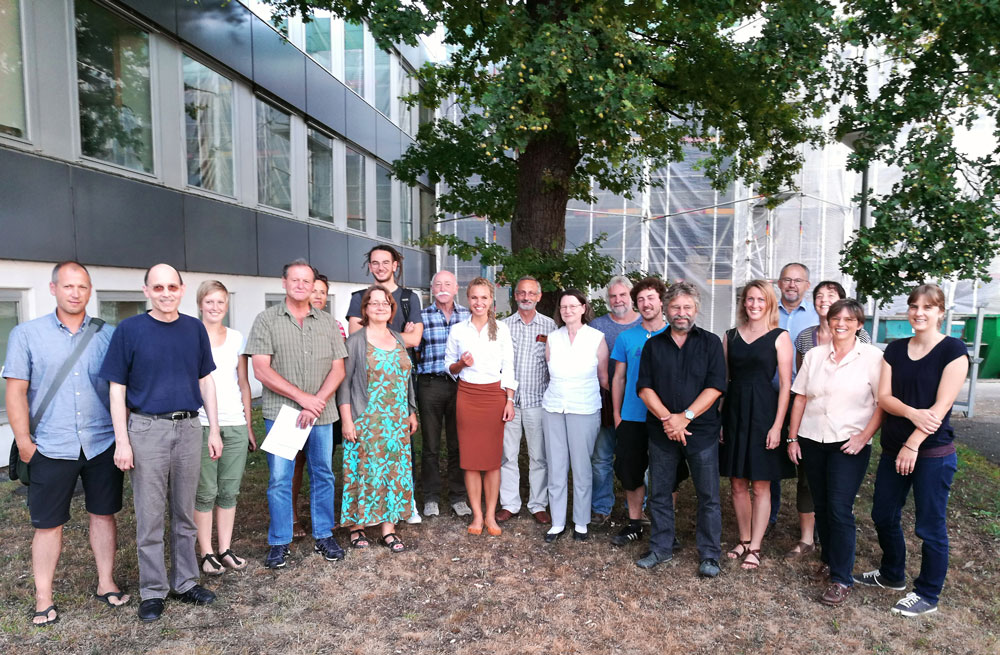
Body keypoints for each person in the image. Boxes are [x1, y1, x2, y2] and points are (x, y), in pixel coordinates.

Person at [3, 261, 129, 626]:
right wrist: (25, 443)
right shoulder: (27, 334)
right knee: (48, 524)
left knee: (104, 514)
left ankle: (106, 582)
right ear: (53, 288)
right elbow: (16, 393)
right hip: (49, 446)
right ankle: (43, 597)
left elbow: (121, 390)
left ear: (90, 292)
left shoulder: (109, 335)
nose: (75, 293)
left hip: (101, 442)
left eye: (83, 287)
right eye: (69, 286)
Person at [101, 263, 221, 622]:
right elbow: (116, 388)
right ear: (146, 291)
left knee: (185, 513)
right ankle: (152, 590)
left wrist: (212, 429)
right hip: (146, 430)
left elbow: (206, 381)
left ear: (182, 290)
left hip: (188, 429)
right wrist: (122, 440)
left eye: (172, 287)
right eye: (158, 287)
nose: (165, 293)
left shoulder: (194, 329)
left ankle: (185, 582)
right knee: (150, 517)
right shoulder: (130, 330)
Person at [855, 284, 968, 617]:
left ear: (940, 313)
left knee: (929, 526)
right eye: (914, 306)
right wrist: (911, 413)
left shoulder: (953, 351)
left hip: (932, 453)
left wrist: (913, 442)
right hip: (894, 450)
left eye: (928, 307)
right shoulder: (895, 349)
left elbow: (941, 407)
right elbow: (885, 398)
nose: (920, 313)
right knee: (883, 514)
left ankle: (928, 594)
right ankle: (892, 574)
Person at [246, 259, 348, 570]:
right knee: (279, 479)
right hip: (282, 414)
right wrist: (302, 398)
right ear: (284, 283)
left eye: (307, 281)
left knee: (323, 474)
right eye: (296, 280)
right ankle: (279, 541)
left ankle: (323, 534)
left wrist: (316, 400)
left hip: (322, 413)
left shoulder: (328, 323)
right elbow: (261, 369)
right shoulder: (266, 320)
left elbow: (338, 368)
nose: (301, 286)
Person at [786, 299, 883, 606]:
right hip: (813, 439)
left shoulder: (872, 357)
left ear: (859, 324)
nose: (841, 323)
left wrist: (864, 437)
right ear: (827, 321)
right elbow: (800, 398)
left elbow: (882, 403)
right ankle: (828, 559)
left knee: (840, 508)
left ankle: (842, 578)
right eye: (835, 318)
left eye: (848, 319)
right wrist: (792, 438)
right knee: (823, 505)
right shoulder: (814, 355)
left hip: (848, 443)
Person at [635, 282, 726, 577]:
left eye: (687, 307)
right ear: (666, 309)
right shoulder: (653, 345)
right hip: (662, 433)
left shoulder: (711, 343)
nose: (681, 313)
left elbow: (715, 387)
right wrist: (669, 420)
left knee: (708, 495)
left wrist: (684, 417)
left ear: (696, 309)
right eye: (675, 307)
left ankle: (710, 554)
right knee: (660, 492)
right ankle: (661, 547)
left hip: (702, 432)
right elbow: (644, 388)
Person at [337, 285, 419, 552]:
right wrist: (347, 421)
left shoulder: (397, 338)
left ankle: (388, 528)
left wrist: (410, 409)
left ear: (391, 308)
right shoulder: (355, 341)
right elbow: (344, 385)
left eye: (385, 302)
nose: (380, 307)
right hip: (366, 419)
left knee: (392, 474)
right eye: (374, 303)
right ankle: (357, 527)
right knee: (363, 472)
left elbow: (405, 378)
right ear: (365, 309)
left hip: (395, 421)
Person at [719, 280, 794, 570]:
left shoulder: (780, 336)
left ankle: (757, 546)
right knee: (737, 483)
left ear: (769, 304)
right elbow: (724, 381)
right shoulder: (730, 336)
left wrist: (778, 427)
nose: (754, 305)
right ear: (743, 303)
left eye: (760, 300)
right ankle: (745, 538)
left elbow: (787, 386)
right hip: (735, 411)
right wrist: (721, 419)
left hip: (765, 412)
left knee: (761, 484)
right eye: (750, 299)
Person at [609, 277, 689, 547]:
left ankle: (666, 527)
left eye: (651, 298)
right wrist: (618, 415)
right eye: (640, 299)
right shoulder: (626, 337)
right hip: (632, 417)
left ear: (662, 302)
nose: (645, 304)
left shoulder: (676, 334)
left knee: (669, 474)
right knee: (630, 471)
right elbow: (618, 378)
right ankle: (635, 522)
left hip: (666, 419)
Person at [193, 281, 256, 576]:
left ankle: (225, 548)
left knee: (229, 491)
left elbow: (243, 383)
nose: (215, 307)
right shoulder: (191, 336)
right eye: (209, 302)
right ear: (200, 304)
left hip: (235, 423)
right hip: (203, 424)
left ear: (226, 306)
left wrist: (248, 424)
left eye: (220, 302)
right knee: (206, 492)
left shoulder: (236, 338)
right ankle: (205, 551)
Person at [445, 277, 516, 536]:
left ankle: (490, 515)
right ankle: (476, 515)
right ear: (468, 299)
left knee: (492, 461)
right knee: (471, 461)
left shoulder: (502, 329)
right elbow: (449, 367)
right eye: (474, 297)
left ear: (491, 300)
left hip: (494, 397)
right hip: (467, 396)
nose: (479, 302)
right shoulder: (458, 330)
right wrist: (462, 364)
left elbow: (508, 366)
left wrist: (509, 399)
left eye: (484, 297)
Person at [541, 289, 609, 542]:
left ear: (583, 308)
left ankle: (581, 521)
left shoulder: (596, 338)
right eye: (563, 307)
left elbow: (604, 378)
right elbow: (549, 373)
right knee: (556, 467)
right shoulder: (553, 338)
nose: (567, 310)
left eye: (573, 306)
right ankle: (557, 522)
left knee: (581, 467)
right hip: (554, 408)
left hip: (584, 408)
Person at [289, 272, 347, 538]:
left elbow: (339, 366)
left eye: (323, 292)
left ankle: (322, 519)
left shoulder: (335, 326)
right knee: (295, 462)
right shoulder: (288, 323)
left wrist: (320, 400)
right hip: (294, 405)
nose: (318, 296)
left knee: (322, 464)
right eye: (315, 291)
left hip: (326, 406)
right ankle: (291, 517)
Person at [498, 276, 556, 524]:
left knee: (538, 456)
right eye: (522, 293)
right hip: (508, 402)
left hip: (538, 401)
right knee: (507, 456)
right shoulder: (502, 326)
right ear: (515, 295)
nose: (526, 297)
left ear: (539, 297)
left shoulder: (550, 326)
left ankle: (537, 503)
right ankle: (509, 503)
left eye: (531, 293)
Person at [768, 263, 820, 535]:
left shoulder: (817, 317)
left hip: (805, 400)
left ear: (807, 285)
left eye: (798, 280)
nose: (792, 285)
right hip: (771, 397)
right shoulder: (766, 311)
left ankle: (813, 521)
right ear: (778, 282)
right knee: (770, 458)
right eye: (787, 280)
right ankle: (770, 515)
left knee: (807, 461)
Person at [416, 270, 472, 518]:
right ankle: (431, 497)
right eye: (437, 283)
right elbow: (415, 352)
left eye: (447, 283)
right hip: (430, 384)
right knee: (430, 445)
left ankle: (458, 496)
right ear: (431, 287)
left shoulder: (468, 316)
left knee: (458, 443)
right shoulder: (421, 317)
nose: (442, 287)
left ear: (456, 287)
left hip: (460, 385)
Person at [588, 276, 641, 523]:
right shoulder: (598, 326)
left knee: (641, 458)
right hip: (604, 401)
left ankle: (643, 507)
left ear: (632, 297)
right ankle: (601, 506)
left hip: (640, 403)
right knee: (601, 457)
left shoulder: (646, 324)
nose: (617, 300)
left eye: (622, 295)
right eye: (613, 296)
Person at [346, 244, 423, 348]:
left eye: (385, 262)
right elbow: (356, 338)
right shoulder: (359, 298)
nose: (380, 268)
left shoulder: (409, 298)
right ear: (370, 267)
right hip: (370, 363)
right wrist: (401, 337)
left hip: (403, 363)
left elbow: (414, 339)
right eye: (375, 263)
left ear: (394, 266)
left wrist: (372, 337)